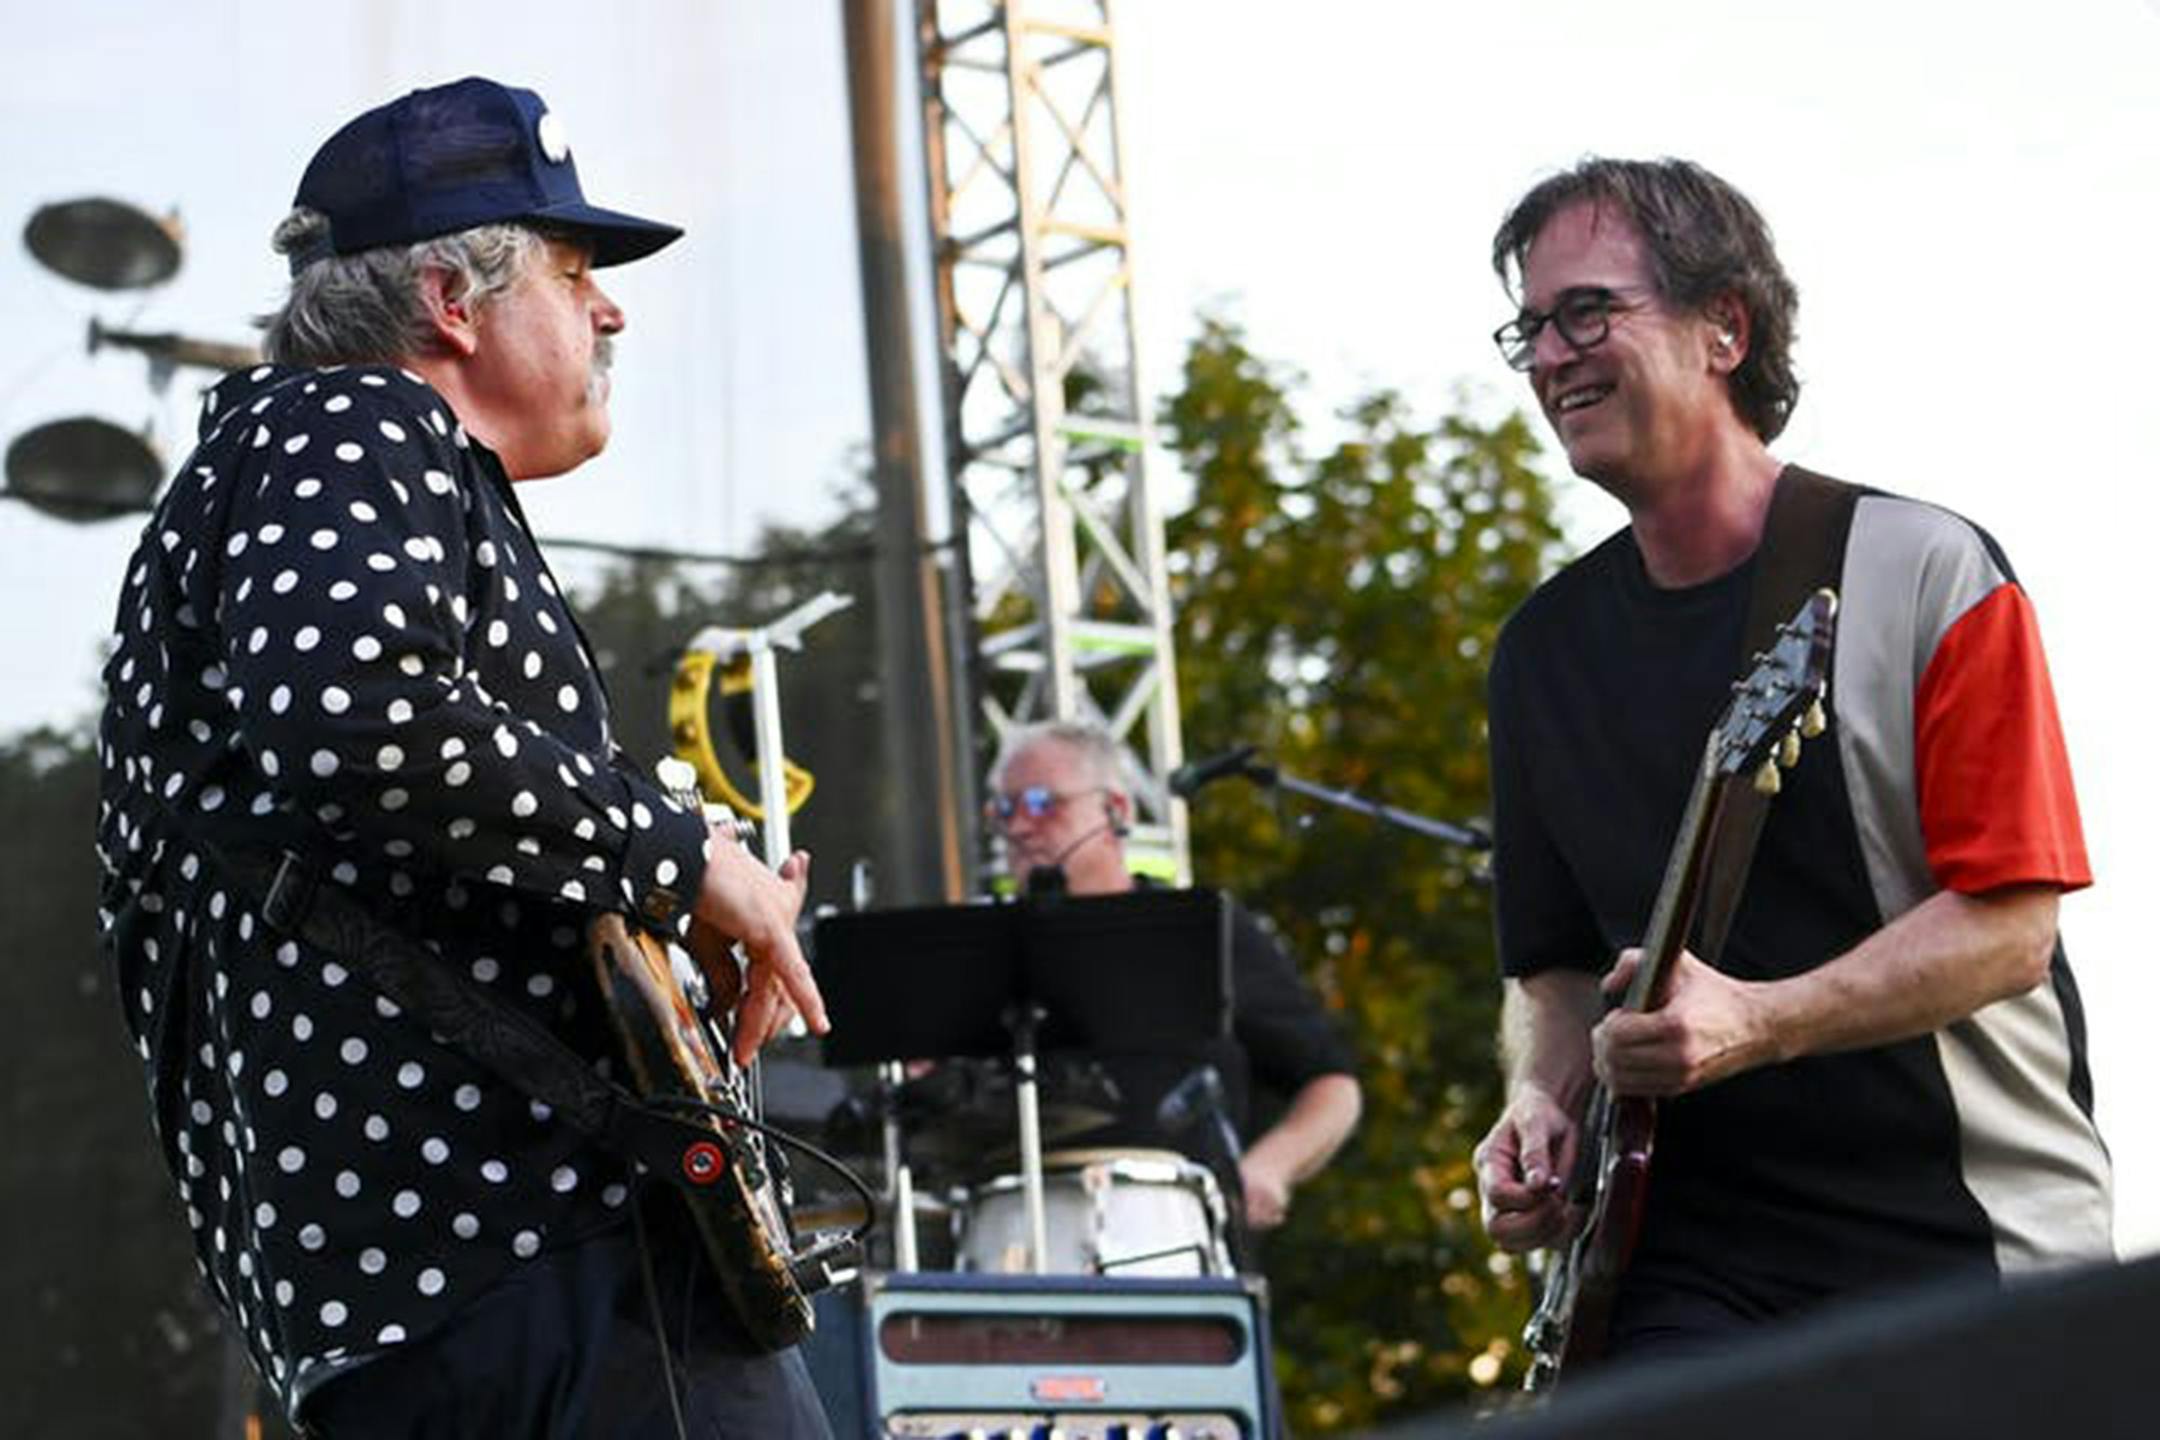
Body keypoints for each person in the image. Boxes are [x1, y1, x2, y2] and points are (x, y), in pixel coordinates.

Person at [95, 77, 833, 1436]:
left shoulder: (307, 463)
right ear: (450, 300)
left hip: (438, 1289)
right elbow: (357, 715)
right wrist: (683, 863)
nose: (609, 308)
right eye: (571, 272)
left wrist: (662, 909)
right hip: (535, 1262)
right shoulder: (348, 425)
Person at [1471, 157, 2111, 1361]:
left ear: (1725, 327)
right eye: (1531, 327)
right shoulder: (1538, 655)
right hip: (1675, 1267)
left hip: (1955, 1243)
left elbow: (2011, 927)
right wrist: (1539, 1107)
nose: (1552, 355)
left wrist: (1757, 1021)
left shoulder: (1925, 570)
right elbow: (1552, 969)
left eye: (1588, 311)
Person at [986, 720, 1362, 1233]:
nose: (1020, 827)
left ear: (1115, 811)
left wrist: (1270, 1167)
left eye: (1040, 802)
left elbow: (1332, 1084)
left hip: (1183, 1244)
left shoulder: (1202, 927)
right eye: (1004, 809)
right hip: (1009, 1240)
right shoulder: (982, 947)